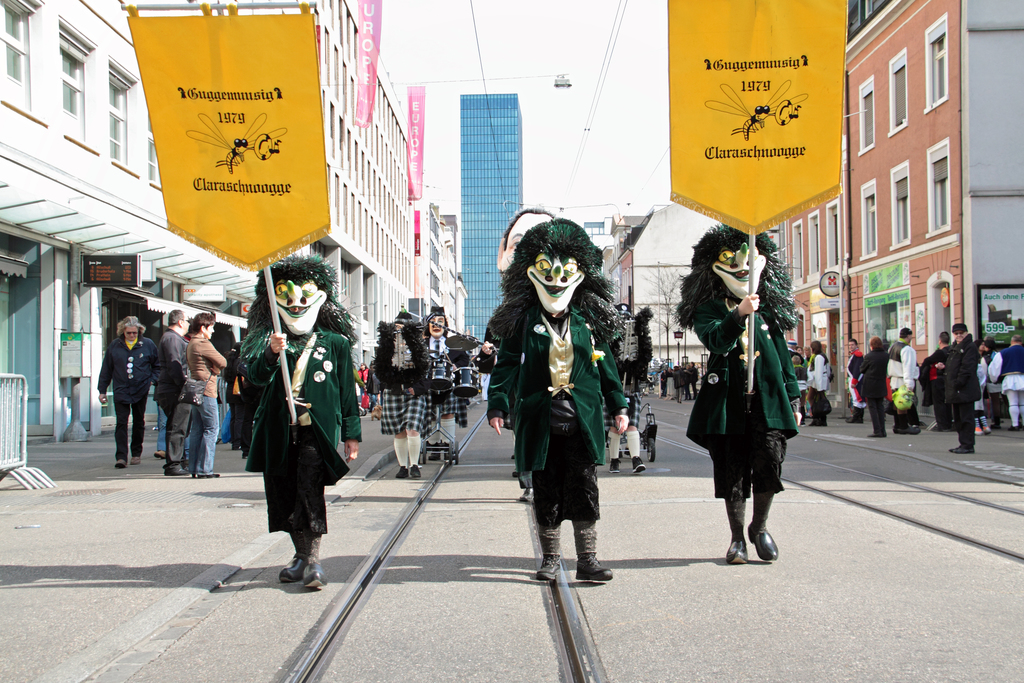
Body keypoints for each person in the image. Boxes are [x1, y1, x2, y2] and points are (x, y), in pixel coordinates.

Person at [487, 218, 628, 583]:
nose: (556, 281)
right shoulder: (522, 322)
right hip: (541, 420)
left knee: (584, 487)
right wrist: (497, 403)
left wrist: (619, 405)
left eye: (565, 272)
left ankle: (587, 559)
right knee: (546, 489)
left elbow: (606, 365)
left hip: (581, 420)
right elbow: (505, 365)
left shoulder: (587, 322)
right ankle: (550, 559)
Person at [677, 226, 800, 564]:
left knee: (769, 462)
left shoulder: (769, 308)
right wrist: (739, 314)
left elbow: (783, 357)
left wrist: (793, 397)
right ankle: (736, 538)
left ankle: (759, 527)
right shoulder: (708, 308)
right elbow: (716, 341)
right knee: (733, 470)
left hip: (767, 399)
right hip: (727, 402)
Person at [242, 254, 361, 590]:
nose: (296, 304)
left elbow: (346, 392)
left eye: (305, 295)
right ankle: (300, 555)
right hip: (278, 429)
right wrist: (270, 353)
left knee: (310, 489)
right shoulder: (269, 339)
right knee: (283, 491)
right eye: (287, 296)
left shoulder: (335, 343)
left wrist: (351, 433)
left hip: (316, 430)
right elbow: (255, 377)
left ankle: (312, 561)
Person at [97, 316, 160, 469]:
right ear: (123, 332)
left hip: (140, 389)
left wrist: (152, 380)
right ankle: (121, 456)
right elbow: (106, 369)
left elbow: (157, 366)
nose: (132, 335)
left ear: (139, 332)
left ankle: (136, 453)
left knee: (138, 422)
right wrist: (102, 390)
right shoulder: (115, 346)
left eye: (134, 333)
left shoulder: (147, 344)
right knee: (121, 423)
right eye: (129, 333)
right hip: (121, 389)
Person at [374, 311, 431, 479]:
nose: (399, 331)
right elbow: (379, 368)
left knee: (412, 429)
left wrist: (418, 388)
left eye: (403, 328)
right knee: (399, 431)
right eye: (397, 327)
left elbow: (427, 371)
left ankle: (414, 465)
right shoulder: (387, 345)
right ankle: (403, 466)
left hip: (413, 393)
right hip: (393, 391)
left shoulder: (419, 345)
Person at [605, 305, 653, 474]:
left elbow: (645, 358)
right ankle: (614, 461)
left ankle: (635, 459)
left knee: (632, 424)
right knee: (614, 427)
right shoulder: (609, 339)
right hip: (613, 387)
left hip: (632, 387)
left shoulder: (637, 339)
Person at [422, 307, 471, 458]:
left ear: (445, 324)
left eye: (440, 321)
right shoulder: (422, 345)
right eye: (433, 322)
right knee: (430, 414)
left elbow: (465, 359)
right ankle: (433, 446)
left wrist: (456, 366)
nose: (436, 325)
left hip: (448, 385)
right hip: (428, 386)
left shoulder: (453, 344)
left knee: (447, 413)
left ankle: (447, 443)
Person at [186, 313, 226, 478]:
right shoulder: (203, 343)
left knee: (197, 429)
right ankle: (205, 469)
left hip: (196, 389)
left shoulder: (191, 343)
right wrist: (215, 369)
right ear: (203, 328)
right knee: (211, 428)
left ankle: (194, 468)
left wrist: (213, 367)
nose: (213, 331)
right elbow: (223, 361)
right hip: (207, 390)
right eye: (211, 327)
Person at [155, 310, 191, 476]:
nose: (189, 324)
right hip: (173, 390)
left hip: (172, 388)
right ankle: (173, 464)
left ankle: (178, 461)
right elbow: (174, 364)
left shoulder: (173, 338)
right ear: (180, 322)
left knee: (179, 426)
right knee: (176, 427)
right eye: (187, 320)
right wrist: (183, 384)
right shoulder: (172, 338)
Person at [946, 323, 981, 454]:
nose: (959, 335)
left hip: (965, 389)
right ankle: (963, 443)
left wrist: (958, 382)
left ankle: (968, 445)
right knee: (959, 419)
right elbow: (953, 366)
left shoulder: (969, 347)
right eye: (956, 333)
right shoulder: (954, 347)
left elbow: (967, 368)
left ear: (966, 333)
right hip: (957, 389)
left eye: (961, 333)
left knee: (966, 418)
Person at [888, 327, 921, 435]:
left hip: (894, 379)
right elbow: (908, 367)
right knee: (903, 403)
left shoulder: (893, 347)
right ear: (909, 336)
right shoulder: (907, 349)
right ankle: (903, 426)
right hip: (902, 379)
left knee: (897, 403)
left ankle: (897, 425)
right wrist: (909, 384)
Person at [988, 334, 1024, 430]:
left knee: (1013, 402)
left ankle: (1015, 424)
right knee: (1022, 402)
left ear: (1012, 342)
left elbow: (994, 367)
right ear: (1021, 342)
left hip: (1010, 379)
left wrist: (994, 379)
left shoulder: (1003, 353)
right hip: (1023, 377)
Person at [857, 336, 890, 437]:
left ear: (871, 345)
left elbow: (862, 369)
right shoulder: (886, 355)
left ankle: (877, 430)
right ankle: (882, 430)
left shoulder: (869, 356)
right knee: (880, 407)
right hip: (881, 383)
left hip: (870, 384)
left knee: (872, 408)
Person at [919, 332, 952, 431]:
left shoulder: (940, 353)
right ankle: (948, 423)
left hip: (937, 379)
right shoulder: (952, 351)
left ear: (940, 341)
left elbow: (927, 360)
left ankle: (942, 424)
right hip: (948, 380)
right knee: (947, 403)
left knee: (939, 403)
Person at [222, 342, 245, 451]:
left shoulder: (229, 362)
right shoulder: (239, 362)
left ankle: (234, 441)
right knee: (240, 417)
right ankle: (238, 441)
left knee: (234, 417)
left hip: (229, 391)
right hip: (238, 391)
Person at [806, 339, 831, 426]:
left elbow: (818, 372)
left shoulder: (819, 357)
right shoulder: (820, 356)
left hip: (817, 382)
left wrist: (819, 386)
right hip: (817, 382)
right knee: (815, 399)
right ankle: (818, 417)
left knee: (814, 398)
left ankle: (818, 417)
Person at [981, 337, 1003, 429]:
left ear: (987, 347)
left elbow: (984, 372)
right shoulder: (999, 355)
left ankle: (997, 422)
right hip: (1002, 380)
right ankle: (1016, 420)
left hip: (991, 381)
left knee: (995, 401)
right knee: (1007, 401)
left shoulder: (985, 358)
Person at [845, 338, 865, 423]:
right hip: (853, 379)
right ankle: (858, 416)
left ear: (856, 345)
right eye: (849, 345)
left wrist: (854, 381)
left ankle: (856, 416)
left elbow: (857, 369)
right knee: (857, 398)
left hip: (855, 380)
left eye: (852, 345)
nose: (851, 347)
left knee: (857, 398)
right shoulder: (854, 355)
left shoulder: (857, 355)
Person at [792, 355, 808, 425]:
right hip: (803, 387)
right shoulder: (804, 369)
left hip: (796, 387)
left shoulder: (792, 369)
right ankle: (803, 420)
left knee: (795, 403)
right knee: (802, 404)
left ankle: (796, 419)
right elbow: (809, 377)